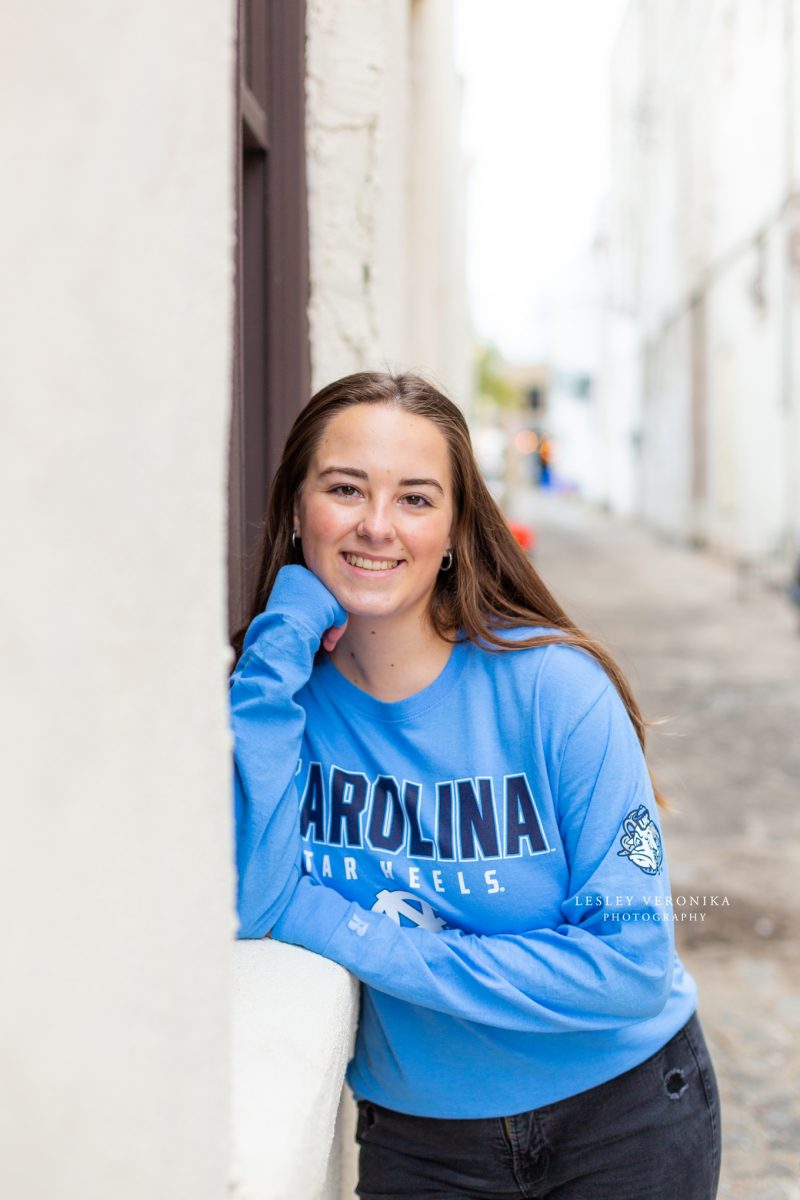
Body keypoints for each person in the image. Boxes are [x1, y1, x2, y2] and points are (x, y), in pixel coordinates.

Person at [230, 371, 722, 1199]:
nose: (377, 525)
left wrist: (348, 930)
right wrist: (275, 650)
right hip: (426, 1147)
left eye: (416, 499)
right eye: (345, 488)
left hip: (625, 1120)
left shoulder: (554, 692)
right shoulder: (282, 707)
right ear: (297, 507)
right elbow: (251, 898)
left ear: (455, 528)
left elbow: (630, 964)